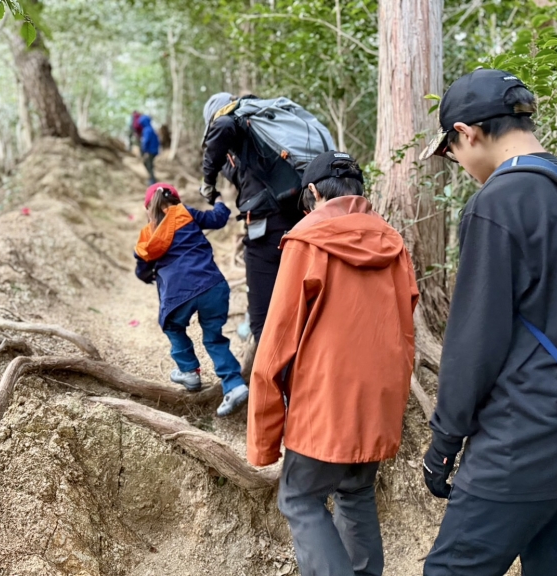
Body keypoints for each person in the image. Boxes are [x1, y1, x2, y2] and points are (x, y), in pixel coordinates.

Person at [419, 69, 557, 576]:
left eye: (451, 151)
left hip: (522, 441)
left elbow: (474, 343)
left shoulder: (498, 202)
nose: (460, 165)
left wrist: (444, 442)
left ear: (466, 132)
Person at [247, 151, 419, 576]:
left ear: (311, 193)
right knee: (355, 494)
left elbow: (275, 342)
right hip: (378, 403)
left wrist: (263, 439)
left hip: (325, 403)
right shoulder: (394, 244)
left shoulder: (308, 240)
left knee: (299, 498)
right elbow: (407, 331)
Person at [134, 182, 249, 417]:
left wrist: (149, 275)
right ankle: (234, 385)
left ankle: (189, 372)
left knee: (172, 326)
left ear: (149, 208)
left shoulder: (149, 235)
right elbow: (218, 218)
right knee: (214, 338)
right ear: (175, 201)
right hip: (212, 286)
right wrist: (217, 199)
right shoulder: (186, 213)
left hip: (178, 295)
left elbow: (142, 270)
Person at [200, 93, 305, 344]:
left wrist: (207, 180)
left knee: (262, 321)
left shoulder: (231, 123)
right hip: (299, 222)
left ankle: (267, 379)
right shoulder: (265, 135)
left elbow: (223, 126)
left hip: (266, 229)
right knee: (297, 308)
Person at [138, 114, 159, 185]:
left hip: (149, 151)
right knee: (149, 164)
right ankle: (152, 178)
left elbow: (146, 141)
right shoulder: (151, 129)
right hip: (154, 151)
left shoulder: (147, 130)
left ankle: (153, 180)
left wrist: (145, 151)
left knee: (148, 164)